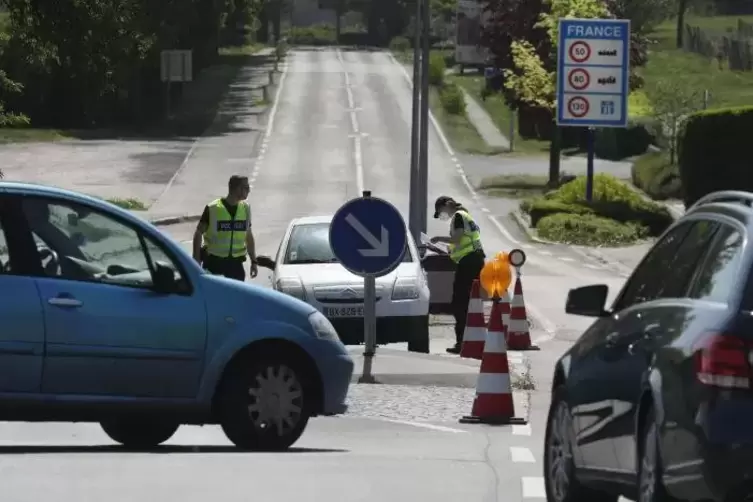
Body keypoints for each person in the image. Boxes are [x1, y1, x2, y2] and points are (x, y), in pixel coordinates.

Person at [431, 195, 485, 354]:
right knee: (468, 302)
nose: (442, 215)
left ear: (448, 205)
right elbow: (462, 242)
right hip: (473, 260)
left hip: (469, 262)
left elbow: (457, 238)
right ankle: (469, 341)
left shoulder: (459, 216)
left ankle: (462, 342)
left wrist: (438, 239)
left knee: (459, 303)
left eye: (441, 211)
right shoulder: (465, 216)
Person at [193, 175, 258, 281]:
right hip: (214, 263)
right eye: (246, 188)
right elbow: (198, 232)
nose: (249, 190)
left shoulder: (245, 208)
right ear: (237, 189)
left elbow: (248, 236)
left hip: (236, 264)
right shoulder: (213, 208)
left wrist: (254, 261)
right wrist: (196, 259)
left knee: (236, 297)